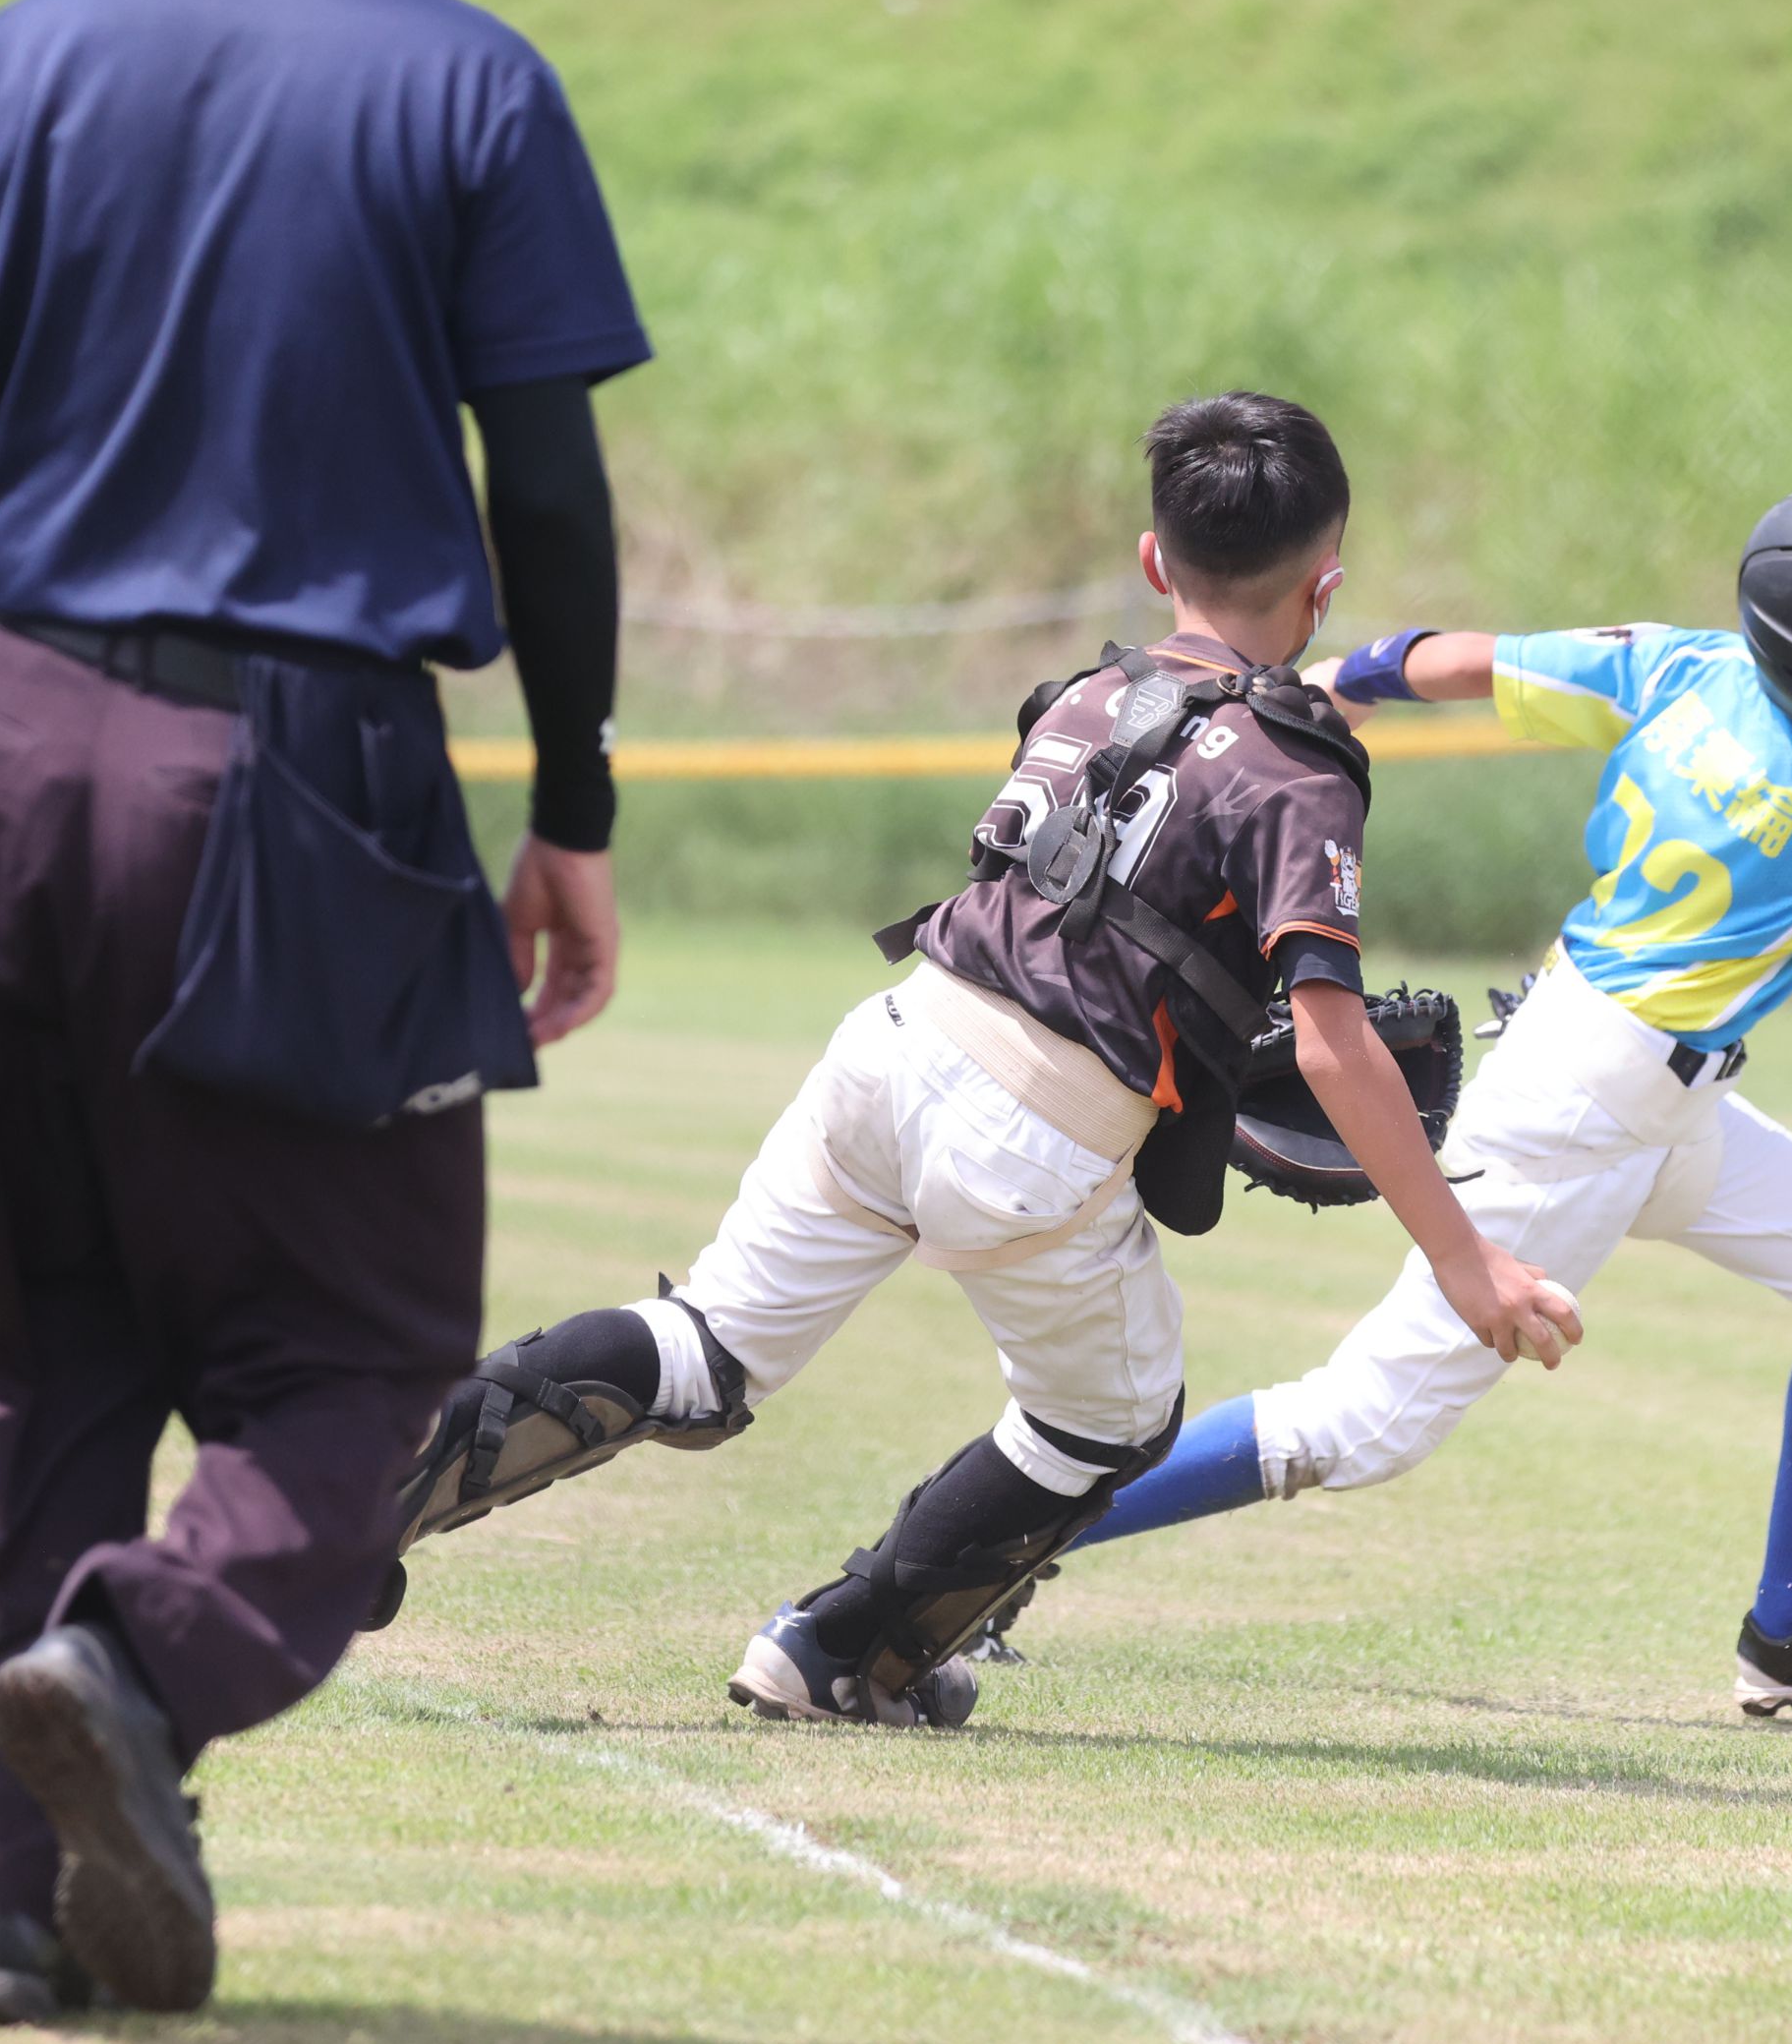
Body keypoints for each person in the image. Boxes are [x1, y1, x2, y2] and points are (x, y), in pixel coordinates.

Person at [0, 0, 650, 2021]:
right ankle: (135, 1660)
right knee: (359, 1353)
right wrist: (573, 806)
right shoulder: (462, 75)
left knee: (38, 1352)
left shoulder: (24, 53)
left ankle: (1, 1893)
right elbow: (548, 485)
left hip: (9, 750)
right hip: (302, 761)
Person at [376, 393, 1582, 1727]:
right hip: (1029, 1134)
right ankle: (835, 1653)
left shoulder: (1087, 695)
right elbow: (1327, 1037)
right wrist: (1462, 1259)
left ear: (1152, 561)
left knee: (706, 1346)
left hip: (892, 1044)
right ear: (1325, 588)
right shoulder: (1298, 765)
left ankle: (365, 1488)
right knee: (1109, 1423)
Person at [1008, 472, 1792, 1718]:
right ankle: (983, 1550)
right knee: (1355, 1426)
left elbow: (1452, 659)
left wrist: (1335, 685)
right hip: (1587, 1111)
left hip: (1635, 1085)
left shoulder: (1694, 668)